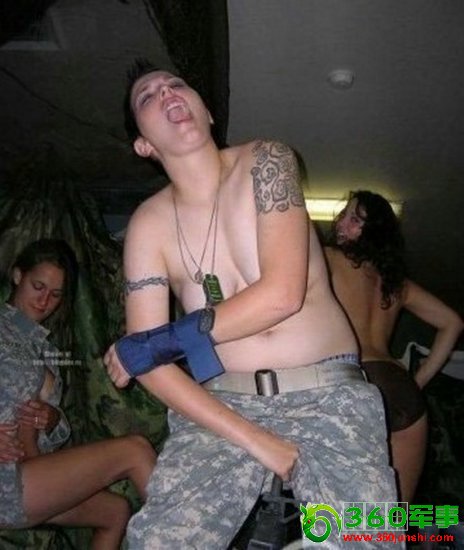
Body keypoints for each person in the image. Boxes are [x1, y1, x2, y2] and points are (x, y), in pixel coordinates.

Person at [104, 62, 400, 549]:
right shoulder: (148, 225)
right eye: (148, 96)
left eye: (176, 84)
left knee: (367, 540)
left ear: (207, 112)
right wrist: (255, 439)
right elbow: (151, 366)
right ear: (144, 145)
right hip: (222, 404)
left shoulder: (267, 161)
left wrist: (162, 342)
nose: (167, 93)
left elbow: (283, 294)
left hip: (328, 393)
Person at [0, 239, 157, 550]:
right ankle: (192, 537)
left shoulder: (46, 350)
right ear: (18, 276)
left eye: (55, 294)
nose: (44, 300)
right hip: (6, 481)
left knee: (115, 511)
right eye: (38, 286)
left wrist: (52, 420)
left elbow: (58, 432)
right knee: (135, 450)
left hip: (32, 474)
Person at [324, 190, 464, 503]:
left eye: (354, 219)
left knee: (336, 509)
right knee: (396, 514)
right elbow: (452, 323)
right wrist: (417, 382)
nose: (342, 223)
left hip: (356, 381)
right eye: (343, 215)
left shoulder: (328, 259)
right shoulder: (397, 284)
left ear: (373, 231)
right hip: (402, 392)